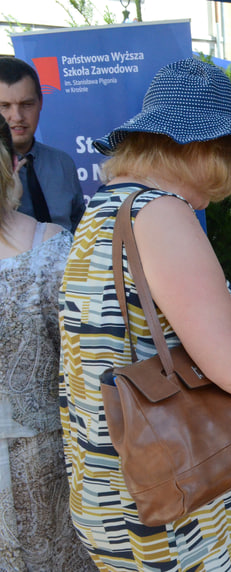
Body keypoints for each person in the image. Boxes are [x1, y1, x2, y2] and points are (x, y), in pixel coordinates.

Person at [58, 59, 231, 570]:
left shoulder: (108, 207)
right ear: (210, 151)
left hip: (120, 485)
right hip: (179, 500)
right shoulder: (160, 213)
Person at [0, 115, 95, 570]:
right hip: (45, 453)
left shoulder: (51, 245)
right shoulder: (51, 245)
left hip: (41, 453)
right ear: (13, 167)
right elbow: (83, 360)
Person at [0, 57, 86, 232]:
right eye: (4, 106)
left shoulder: (62, 163)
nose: (17, 116)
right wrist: (8, 206)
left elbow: (80, 231)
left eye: (26, 104)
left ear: (40, 103)